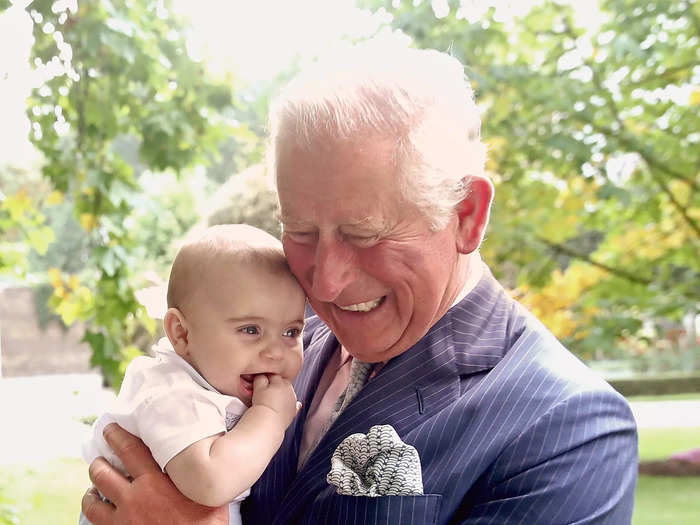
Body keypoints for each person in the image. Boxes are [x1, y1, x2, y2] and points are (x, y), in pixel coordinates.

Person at [82, 43, 638, 524]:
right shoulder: (279, 343)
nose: (324, 280)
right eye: (299, 230)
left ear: (466, 214)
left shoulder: (569, 428)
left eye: (364, 234)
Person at [80, 224, 306, 525]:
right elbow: (212, 481)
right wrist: (270, 417)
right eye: (251, 330)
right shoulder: (171, 393)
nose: (276, 351)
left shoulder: (213, 382)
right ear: (182, 334)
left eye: (291, 332)